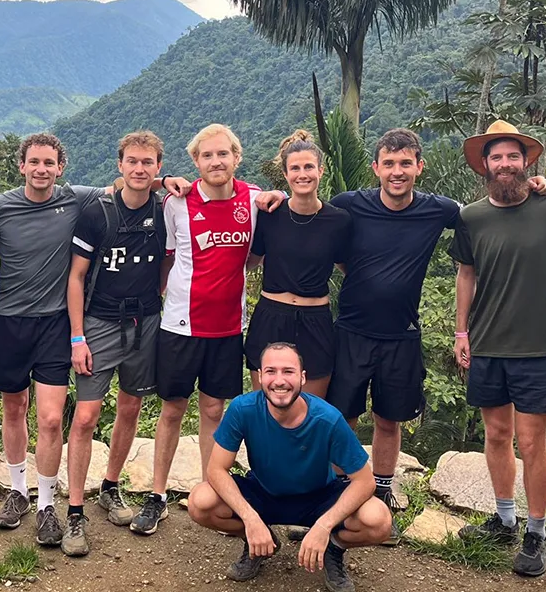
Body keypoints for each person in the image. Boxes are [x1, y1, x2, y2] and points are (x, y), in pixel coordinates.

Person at [131, 123, 283, 536]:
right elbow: (164, 258)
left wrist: (282, 193)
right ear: (196, 162)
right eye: (207, 156)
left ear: (237, 157)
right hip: (180, 324)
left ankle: (209, 492)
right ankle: (157, 495)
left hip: (229, 327)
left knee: (214, 411)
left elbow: (256, 252)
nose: (216, 162)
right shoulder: (177, 202)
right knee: (173, 409)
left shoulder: (254, 201)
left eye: (223, 154)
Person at [325, 128, 460, 540]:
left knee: (388, 418)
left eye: (405, 163)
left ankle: (382, 492)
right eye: (389, 163)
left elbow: (489, 211)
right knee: (341, 418)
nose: (397, 172)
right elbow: (315, 221)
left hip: (401, 335)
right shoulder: (351, 204)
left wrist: (539, 190)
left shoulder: (439, 210)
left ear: (420, 166)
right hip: (351, 329)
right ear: (376, 168)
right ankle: (336, 495)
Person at [449, 120, 546, 576]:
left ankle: (537, 531)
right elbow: (466, 275)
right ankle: (505, 518)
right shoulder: (471, 216)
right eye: (496, 157)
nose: (504, 164)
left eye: (513, 157)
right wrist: (461, 332)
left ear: (526, 162)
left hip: (540, 345)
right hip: (488, 342)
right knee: (496, 435)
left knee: (533, 442)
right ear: (485, 165)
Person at [187, 342, 392, 592]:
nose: (279, 380)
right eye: (271, 371)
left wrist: (324, 526)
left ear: (302, 378)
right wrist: (250, 519)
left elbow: (365, 481)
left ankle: (333, 548)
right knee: (201, 501)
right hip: (263, 493)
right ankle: (259, 544)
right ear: (260, 376)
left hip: (319, 497)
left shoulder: (328, 419)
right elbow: (216, 470)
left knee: (378, 521)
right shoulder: (243, 409)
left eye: (288, 371)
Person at [0, 133, 103, 546]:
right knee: (14, 406)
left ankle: (45, 505)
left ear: (60, 168)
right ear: (21, 165)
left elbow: (125, 185)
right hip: (8, 321)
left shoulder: (75, 199)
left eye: (49, 163)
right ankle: (17, 491)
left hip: (55, 323)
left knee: (52, 418)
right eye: (34, 162)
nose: (41, 169)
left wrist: (169, 184)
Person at [61, 131, 169, 557]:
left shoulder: (165, 210)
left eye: (148, 163)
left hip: (145, 322)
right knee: (86, 416)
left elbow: (168, 260)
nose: (140, 169)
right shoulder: (98, 211)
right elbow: (76, 277)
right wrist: (77, 337)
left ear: (159, 167)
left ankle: (110, 486)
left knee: (131, 407)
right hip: (100, 322)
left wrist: (156, 302)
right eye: (132, 162)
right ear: (120, 164)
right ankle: (74, 512)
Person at [245, 130, 351, 401]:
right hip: (271, 316)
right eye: (295, 168)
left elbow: (348, 267)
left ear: (321, 170)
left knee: (311, 410)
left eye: (308, 167)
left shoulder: (338, 221)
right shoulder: (270, 214)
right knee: (265, 410)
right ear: (285, 173)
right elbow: (249, 262)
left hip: (315, 321)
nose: (302, 174)